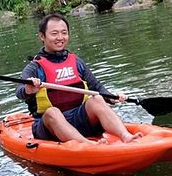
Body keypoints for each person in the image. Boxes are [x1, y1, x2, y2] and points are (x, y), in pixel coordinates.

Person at [17, 13, 142, 144]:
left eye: (64, 33)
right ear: (42, 36)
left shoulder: (76, 62)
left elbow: (96, 86)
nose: (60, 38)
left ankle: (125, 136)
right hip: (49, 126)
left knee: (97, 99)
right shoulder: (35, 67)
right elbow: (19, 91)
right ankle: (88, 145)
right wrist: (28, 89)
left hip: (77, 118)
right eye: (54, 33)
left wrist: (111, 97)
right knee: (52, 112)